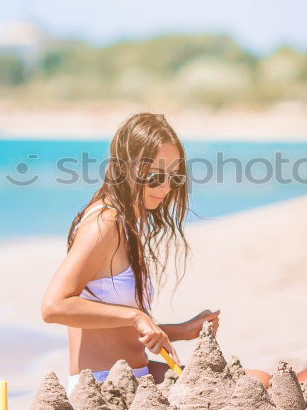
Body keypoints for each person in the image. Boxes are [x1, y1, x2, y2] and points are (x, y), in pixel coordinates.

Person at [40, 113, 221, 395]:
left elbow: (111, 329)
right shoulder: (105, 223)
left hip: (137, 375)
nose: (166, 188)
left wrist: (180, 331)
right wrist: (135, 317)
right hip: (103, 389)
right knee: (254, 382)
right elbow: (54, 307)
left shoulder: (126, 221)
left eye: (174, 177)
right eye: (155, 177)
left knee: (253, 379)